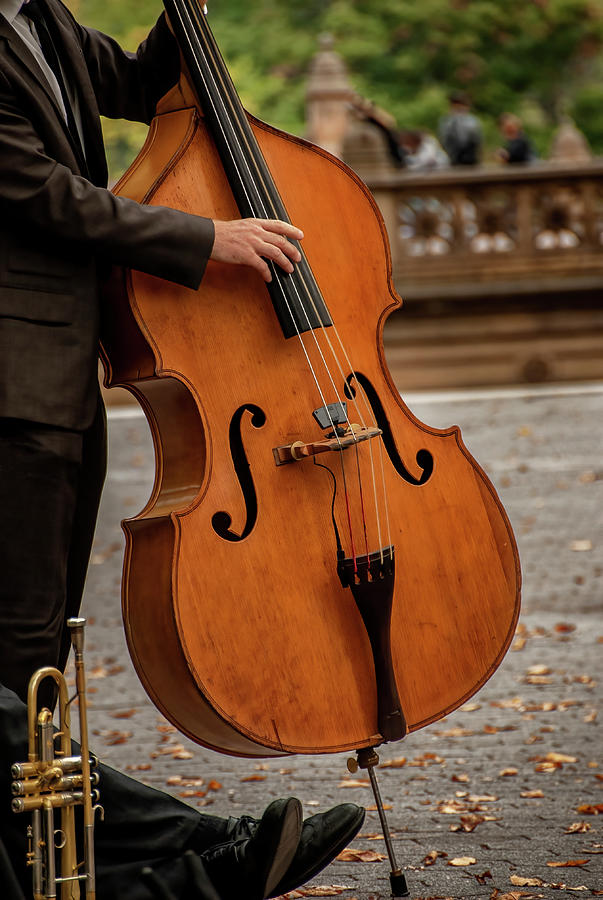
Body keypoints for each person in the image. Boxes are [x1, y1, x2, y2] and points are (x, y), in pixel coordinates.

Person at [0, 0, 365, 897]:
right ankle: (196, 855)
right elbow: (41, 190)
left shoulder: (41, 16)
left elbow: (137, 82)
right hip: (11, 387)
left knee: (34, 666)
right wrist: (206, 238)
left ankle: (117, 869)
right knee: (15, 669)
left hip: (60, 382)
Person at [438, 91, 483, 166]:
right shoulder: (446, 121)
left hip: (470, 159)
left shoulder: (473, 121)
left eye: (461, 104)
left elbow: (478, 141)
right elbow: (443, 139)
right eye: (455, 104)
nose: (458, 107)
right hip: (452, 158)